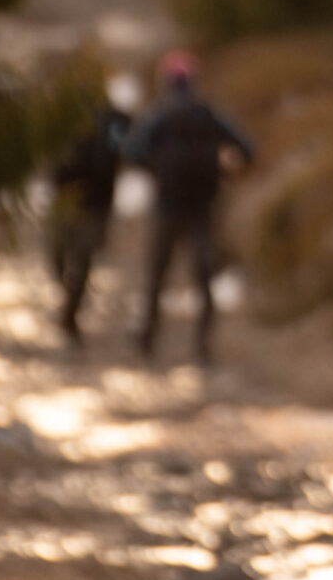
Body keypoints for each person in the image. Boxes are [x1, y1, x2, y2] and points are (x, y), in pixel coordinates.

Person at [124, 51, 256, 361]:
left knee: (157, 273)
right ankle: (203, 346)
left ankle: (147, 338)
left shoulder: (158, 115)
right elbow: (248, 150)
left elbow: (132, 151)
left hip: (167, 205)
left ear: (166, 81)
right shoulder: (210, 114)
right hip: (203, 206)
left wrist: (158, 168)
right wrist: (222, 167)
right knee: (203, 276)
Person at [48, 78, 134, 344]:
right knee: (73, 258)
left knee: (69, 255)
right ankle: (70, 306)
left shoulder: (111, 120)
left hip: (81, 200)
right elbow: (124, 152)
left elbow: (125, 150)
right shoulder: (114, 121)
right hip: (85, 200)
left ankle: (69, 310)